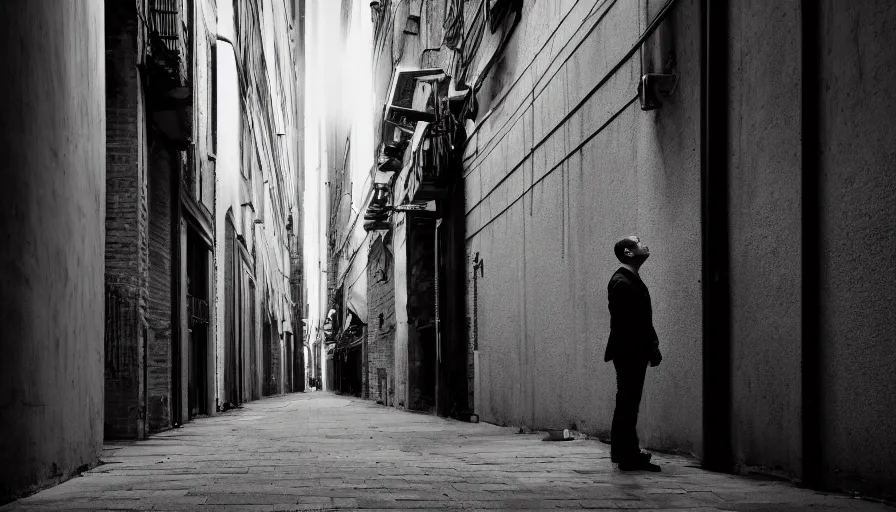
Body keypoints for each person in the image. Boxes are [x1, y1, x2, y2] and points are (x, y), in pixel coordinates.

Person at [605, 236, 662, 472]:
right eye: (639, 243)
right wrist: (650, 347)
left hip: (632, 350)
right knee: (627, 403)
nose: (645, 245)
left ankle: (627, 453)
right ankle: (627, 456)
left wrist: (651, 346)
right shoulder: (622, 282)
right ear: (629, 253)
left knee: (628, 403)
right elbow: (630, 323)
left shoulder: (629, 279)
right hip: (629, 352)